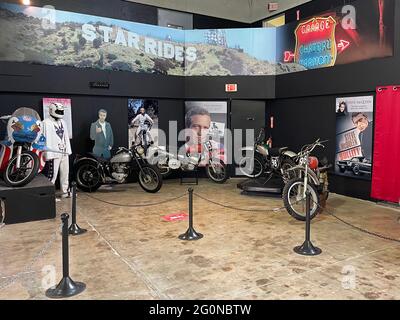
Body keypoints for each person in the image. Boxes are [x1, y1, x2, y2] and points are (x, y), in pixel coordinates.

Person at [42, 102, 72, 198]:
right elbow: (43, 139)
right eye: (58, 111)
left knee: (65, 173)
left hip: (64, 152)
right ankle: (49, 196)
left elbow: (65, 136)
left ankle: (64, 191)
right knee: (52, 175)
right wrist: (47, 153)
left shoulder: (63, 122)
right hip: (54, 153)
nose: (60, 113)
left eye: (61, 111)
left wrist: (68, 150)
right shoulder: (45, 123)